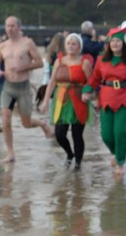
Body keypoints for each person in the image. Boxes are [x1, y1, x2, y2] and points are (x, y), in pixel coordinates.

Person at [83, 26, 126, 176]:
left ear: (124, 43)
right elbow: (94, 79)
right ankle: (115, 152)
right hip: (106, 98)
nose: (115, 44)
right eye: (112, 41)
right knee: (106, 134)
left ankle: (120, 162)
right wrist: (87, 90)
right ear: (108, 44)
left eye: (118, 41)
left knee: (120, 132)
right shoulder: (102, 60)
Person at [0, 16, 53, 163]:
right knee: (5, 120)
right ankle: (10, 153)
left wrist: (23, 67)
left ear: (19, 27)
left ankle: (42, 124)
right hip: (8, 87)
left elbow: (39, 63)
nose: (9, 29)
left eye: (12, 26)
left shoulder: (27, 43)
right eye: (7, 26)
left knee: (26, 123)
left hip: (23, 87)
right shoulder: (2, 46)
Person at [39, 33, 92, 169]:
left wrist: (89, 94)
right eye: (68, 43)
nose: (71, 46)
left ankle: (78, 164)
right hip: (61, 99)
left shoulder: (84, 62)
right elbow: (52, 82)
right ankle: (70, 154)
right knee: (59, 134)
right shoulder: (59, 61)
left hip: (78, 99)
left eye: (74, 44)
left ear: (79, 46)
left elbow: (91, 82)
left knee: (77, 134)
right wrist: (45, 101)